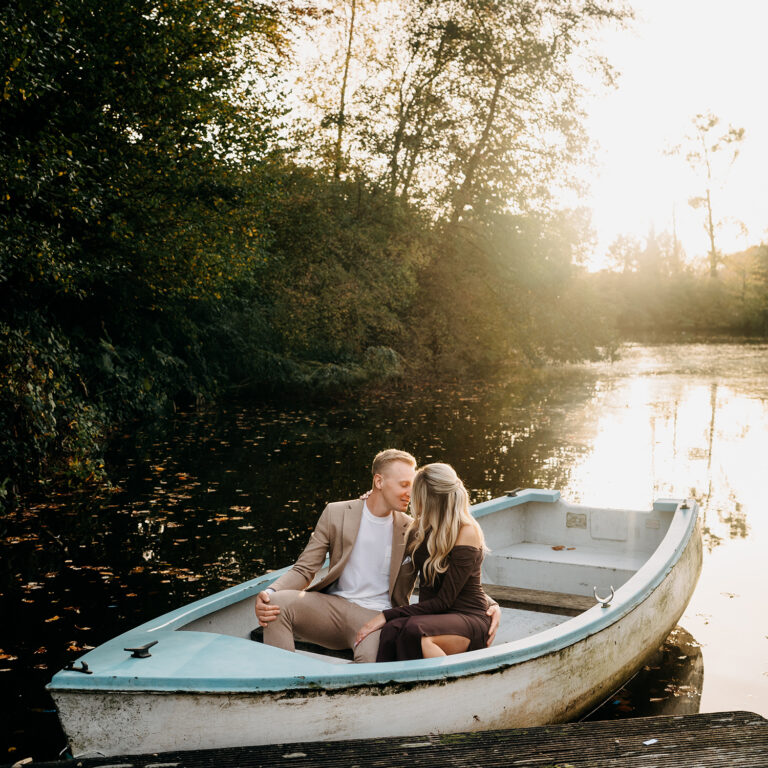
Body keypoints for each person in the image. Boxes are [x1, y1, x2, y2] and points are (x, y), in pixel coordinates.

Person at [255, 450, 500, 662]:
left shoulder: (415, 529)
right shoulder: (337, 513)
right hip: (331, 607)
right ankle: (283, 685)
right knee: (275, 606)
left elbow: (453, 575)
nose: (411, 495)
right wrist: (270, 592)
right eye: (404, 485)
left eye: (413, 488)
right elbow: (304, 569)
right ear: (379, 481)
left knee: (374, 666)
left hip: (377, 616)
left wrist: (491, 604)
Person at [355, 462, 493, 661]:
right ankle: (387, 684)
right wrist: (370, 503)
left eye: (417, 494)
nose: (411, 499)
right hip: (434, 616)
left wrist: (386, 615)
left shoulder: (467, 531)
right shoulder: (420, 527)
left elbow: (445, 600)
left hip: (467, 617)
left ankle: (449, 687)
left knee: (414, 631)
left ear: (430, 499)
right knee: (392, 630)